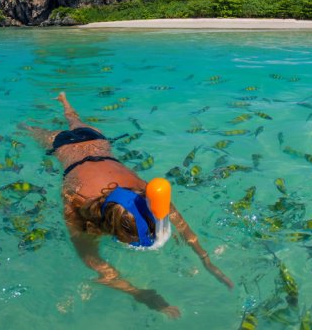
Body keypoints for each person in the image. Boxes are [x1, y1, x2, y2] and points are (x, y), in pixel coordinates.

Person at [24, 92, 232, 318]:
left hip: (93, 142)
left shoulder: (144, 193)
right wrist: (140, 294)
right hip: (76, 143)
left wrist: (207, 261)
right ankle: (61, 102)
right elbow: (96, 264)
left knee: (49, 125)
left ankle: (59, 101)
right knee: (56, 123)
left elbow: (181, 225)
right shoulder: (76, 206)